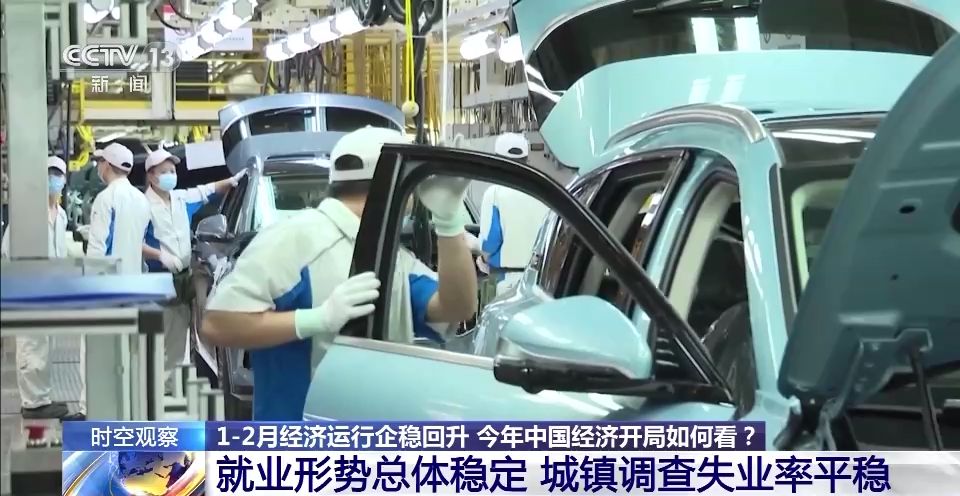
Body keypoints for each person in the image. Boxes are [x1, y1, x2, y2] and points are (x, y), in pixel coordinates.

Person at [201, 126, 478, 420]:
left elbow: (456, 307)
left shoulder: (389, 256)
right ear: (397, 187)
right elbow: (218, 324)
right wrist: (316, 319)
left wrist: (448, 221)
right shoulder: (291, 239)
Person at [140, 148, 245, 394]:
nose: (170, 175)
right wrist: (160, 255)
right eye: (164, 172)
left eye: (173, 171)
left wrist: (233, 180)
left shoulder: (181, 199)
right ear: (152, 176)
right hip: (157, 279)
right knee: (157, 338)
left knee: (178, 337)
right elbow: (135, 240)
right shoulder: (142, 205)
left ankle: (167, 388)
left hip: (182, 278)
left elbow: (208, 190)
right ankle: (150, 387)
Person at [1, 156, 85, 420]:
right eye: (50, 174)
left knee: (45, 345)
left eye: (58, 175)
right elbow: (8, 249)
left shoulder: (61, 214)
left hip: (52, 288)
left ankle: (41, 397)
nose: (54, 180)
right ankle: (32, 403)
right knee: (31, 343)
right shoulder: (28, 213)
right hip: (30, 287)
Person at [477, 133, 551, 294]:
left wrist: (482, 259)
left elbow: (489, 244)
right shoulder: (544, 192)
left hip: (507, 283)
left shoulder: (495, 193)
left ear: (496, 161)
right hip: (541, 283)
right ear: (527, 161)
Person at [86, 143, 151, 275]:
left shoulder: (106, 198)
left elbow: (98, 245)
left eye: (100, 162)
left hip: (110, 279)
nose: (98, 166)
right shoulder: (142, 199)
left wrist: (91, 277)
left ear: (107, 165)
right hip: (134, 277)